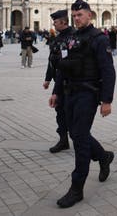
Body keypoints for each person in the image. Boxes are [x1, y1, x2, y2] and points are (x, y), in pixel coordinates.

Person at [49, 0, 116, 208]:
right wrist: (56, 92)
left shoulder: (99, 39)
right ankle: (104, 157)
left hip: (88, 94)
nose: (77, 19)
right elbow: (63, 67)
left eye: (80, 15)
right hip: (70, 92)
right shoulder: (71, 38)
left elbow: (108, 71)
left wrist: (107, 100)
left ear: (90, 15)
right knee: (78, 134)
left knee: (79, 140)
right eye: (74, 16)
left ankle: (76, 188)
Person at [44, 10, 73, 153]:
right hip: (59, 81)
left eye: (55, 22)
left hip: (71, 81)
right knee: (60, 112)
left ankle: (79, 139)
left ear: (63, 21)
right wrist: (48, 79)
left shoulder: (72, 37)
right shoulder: (57, 39)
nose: (53, 24)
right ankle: (63, 140)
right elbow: (52, 61)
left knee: (70, 112)